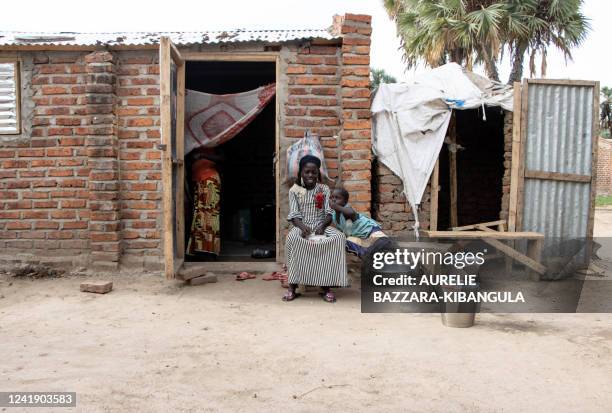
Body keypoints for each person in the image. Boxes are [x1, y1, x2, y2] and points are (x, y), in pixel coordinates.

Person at [284, 155, 349, 303]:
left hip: (321, 225)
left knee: (338, 238)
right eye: (307, 172)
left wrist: (323, 225)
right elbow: (294, 215)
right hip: (302, 225)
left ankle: (325, 286)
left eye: (314, 172)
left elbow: (329, 212)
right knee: (292, 239)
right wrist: (302, 227)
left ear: (318, 173)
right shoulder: (294, 190)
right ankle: (292, 287)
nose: (310, 175)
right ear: (301, 172)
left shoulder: (323, 189)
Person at [330, 187, 391, 258]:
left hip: (370, 230)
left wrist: (335, 206)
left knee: (383, 243)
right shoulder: (334, 214)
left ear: (345, 201)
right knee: (347, 242)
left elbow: (351, 212)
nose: (333, 200)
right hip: (360, 236)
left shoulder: (347, 210)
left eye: (337, 198)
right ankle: (368, 255)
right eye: (332, 197)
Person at [187, 147, 222, 257]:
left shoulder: (213, 142)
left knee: (209, 214)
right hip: (199, 180)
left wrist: (203, 155)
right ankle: (199, 248)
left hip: (209, 181)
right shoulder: (192, 143)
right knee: (199, 215)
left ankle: (210, 249)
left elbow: (222, 158)